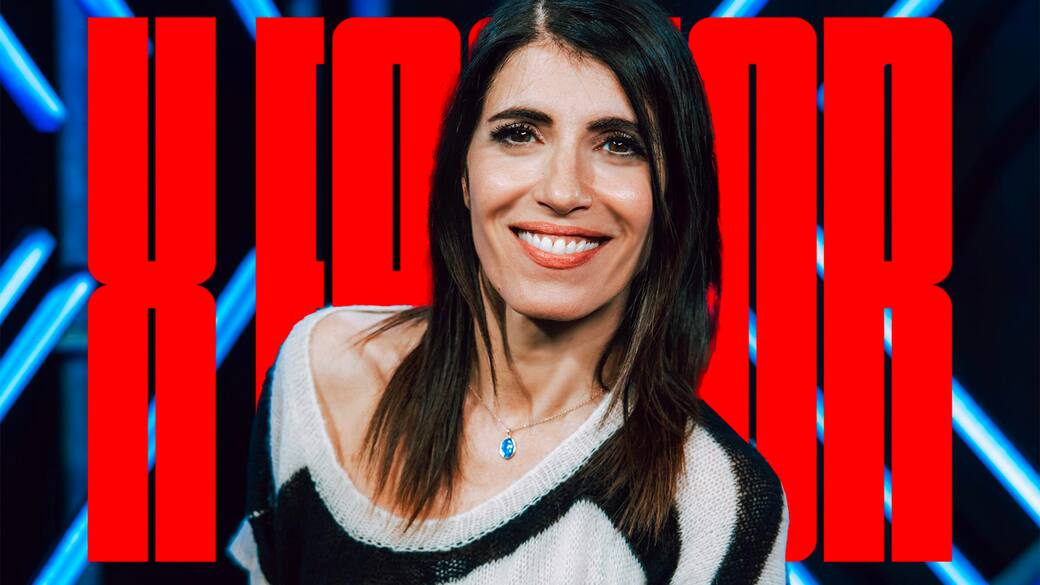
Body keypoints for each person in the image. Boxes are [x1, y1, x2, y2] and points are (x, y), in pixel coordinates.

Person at [228, 0, 789, 582]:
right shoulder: (320, 371)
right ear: (463, 174)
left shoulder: (716, 504)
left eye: (620, 144)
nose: (563, 191)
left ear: (672, 193)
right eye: (519, 134)